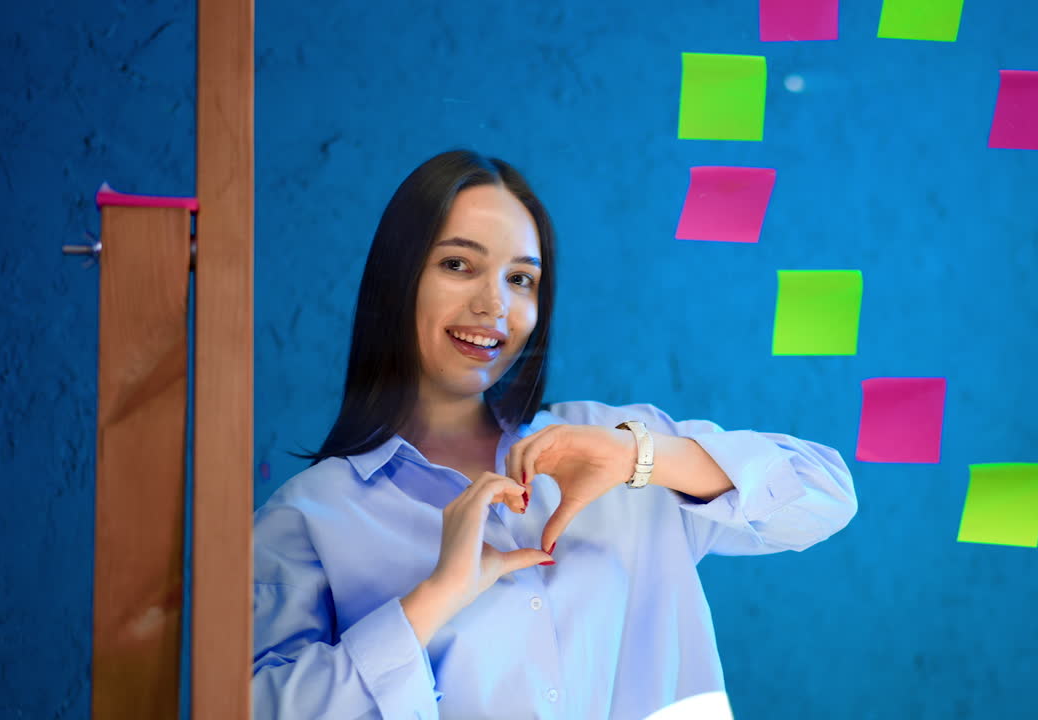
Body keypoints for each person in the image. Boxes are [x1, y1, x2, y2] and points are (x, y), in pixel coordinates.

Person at [252, 149, 858, 720]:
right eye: (458, 265)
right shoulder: (309, 515)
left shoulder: (612, 442)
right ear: (397, 280)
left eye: (521, 279)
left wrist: (638, 457)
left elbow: (823, 496)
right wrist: (432, 599)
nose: (494, 305)